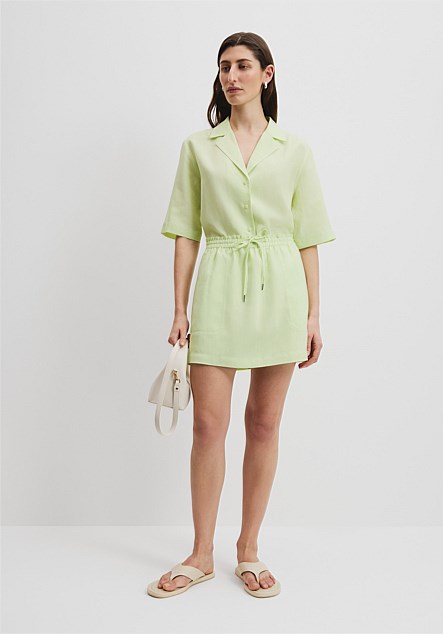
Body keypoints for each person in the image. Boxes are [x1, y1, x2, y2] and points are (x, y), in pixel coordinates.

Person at [147, 31, 336, 599]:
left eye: (243, 66)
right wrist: (179, 308)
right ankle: (201, 553)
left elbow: (308, 237)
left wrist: (314, 315)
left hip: (281, 291)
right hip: (220, 287)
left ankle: (248, 549)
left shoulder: (294, 149)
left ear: (267, 74)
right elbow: (185, 231)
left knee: (264, 424)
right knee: (208, 425)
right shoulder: (198, 147)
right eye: (224, 67)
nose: (231, 76)